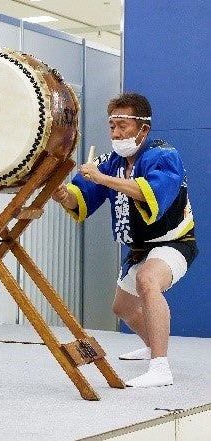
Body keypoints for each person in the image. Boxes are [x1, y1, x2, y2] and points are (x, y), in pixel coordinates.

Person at [51, 92, 197, 388]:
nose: (116, 133)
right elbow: (80, 197)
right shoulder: (110, 162)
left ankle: (160, 367)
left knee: (147, 280)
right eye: (112, 126)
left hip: (175, 242)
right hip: (139, 249)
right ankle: (152, 345)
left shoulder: (164, 156)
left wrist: (102, 179)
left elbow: (148, 193)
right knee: (123, 308)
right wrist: (63, 194)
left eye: (123, 126)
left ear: (143, 128)